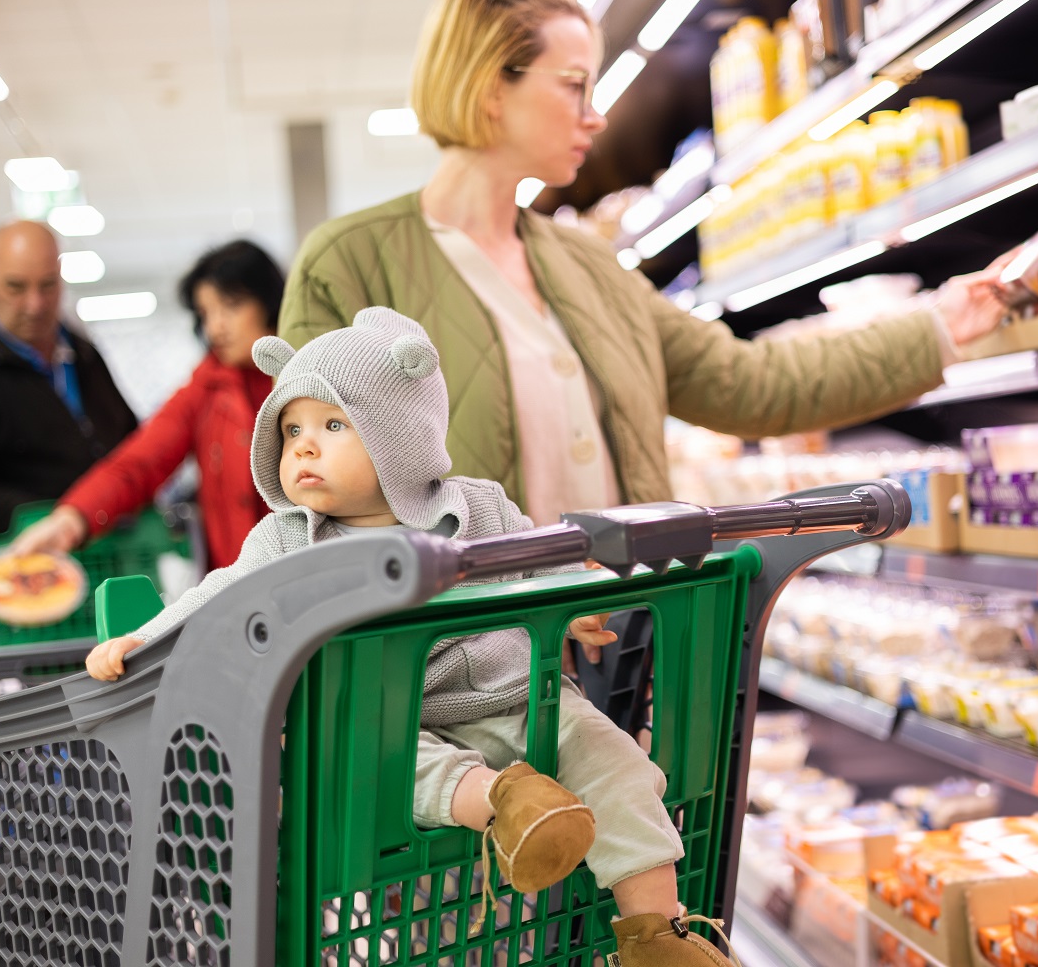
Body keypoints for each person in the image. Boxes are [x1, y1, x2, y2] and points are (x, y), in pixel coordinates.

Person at [86, 309, 730, 966]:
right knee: (376, 767)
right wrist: (150, 637)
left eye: (333, 425)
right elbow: (219, 593)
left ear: (399, 433)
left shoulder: (477, 508)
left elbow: (547, 558)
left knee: (614, 760)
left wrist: (578, 607)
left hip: (524, 700)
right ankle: (510, 802)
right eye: (291, 429)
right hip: (397, 724)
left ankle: (655, 933)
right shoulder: (283, 540)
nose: (303, 446)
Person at [276, 0, 1006, 530]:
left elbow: (752, 382)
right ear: (491, 87)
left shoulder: (588, 266)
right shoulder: (349, 262)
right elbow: (326, 502)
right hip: (465, 678)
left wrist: (943, 324)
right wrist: (519, 583)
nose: (595, 116)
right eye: (573, 86)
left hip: (624, 647)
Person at [11, 241, 282, 569]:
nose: (214, 328)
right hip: (241, 588)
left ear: (269, 300)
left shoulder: (312, 375)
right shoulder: (205, 389)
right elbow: (140, 462)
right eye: (206, 313)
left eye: (231, 305)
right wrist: (73, 517)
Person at [0, 220, 137, 539]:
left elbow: (129, 440)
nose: (35, 305)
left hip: (113, 548)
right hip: (23, 568)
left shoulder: (85, 355)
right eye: (16, 287)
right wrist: (67, 518)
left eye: (47, 285)